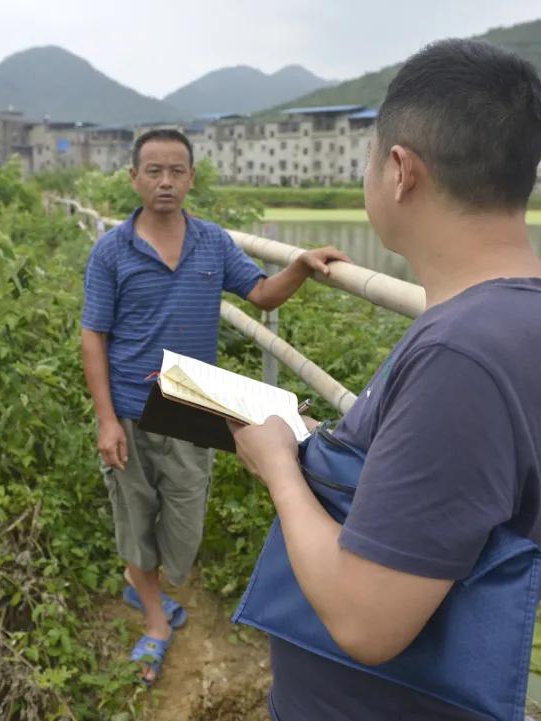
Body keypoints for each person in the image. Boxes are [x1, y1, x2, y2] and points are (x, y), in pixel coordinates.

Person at [230, 39, 541, 720]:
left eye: (369, 157)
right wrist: (317, 449)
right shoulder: (520, 312)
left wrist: (278, 468)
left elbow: (367, 622)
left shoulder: (463, 353)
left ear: (399, 170)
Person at [81, 128, 349, 685]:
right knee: (134, 520)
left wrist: (299, 265)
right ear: (134, 178)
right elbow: (94, 337)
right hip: (130, 410)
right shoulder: (110, 251)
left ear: (191, 178)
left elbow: (261, 294)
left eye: (176, 171)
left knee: (183, 523)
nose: (165, 181)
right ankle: (155, 623)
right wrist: (106, 419)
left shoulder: (212, 243)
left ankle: (146, 581)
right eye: (153, 171)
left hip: (187, 405)